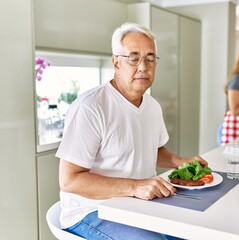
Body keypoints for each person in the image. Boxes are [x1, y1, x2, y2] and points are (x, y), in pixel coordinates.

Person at [56, 22, 207, 240]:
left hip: (139, 206)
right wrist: (135, 187)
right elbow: (70, 181)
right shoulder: (90, 107)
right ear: (116, 62)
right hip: (92, 212)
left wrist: (180, 162)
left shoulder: (152, 107)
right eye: (133, 58)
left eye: (150, 58)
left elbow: (151, 148)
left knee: (193, 234)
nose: (143, 67)